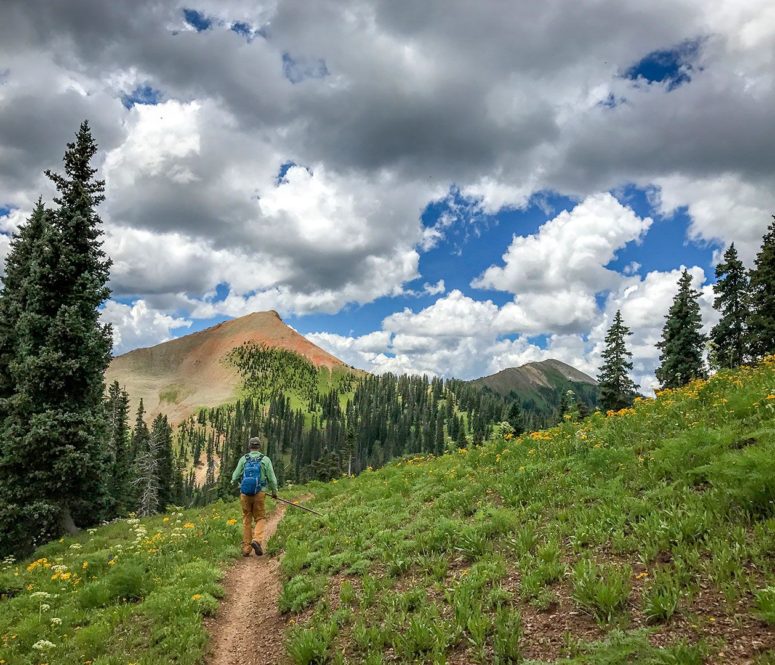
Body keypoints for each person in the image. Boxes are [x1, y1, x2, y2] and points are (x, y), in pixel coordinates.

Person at [231, 436, 278, 556]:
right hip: (260, 493)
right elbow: (272, 479)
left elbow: (235, 476)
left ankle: (246, 549)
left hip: (245, 494)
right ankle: (256, 540)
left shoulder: (244, 459)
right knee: (260, 518)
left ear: (250, 446)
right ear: (259, 447)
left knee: (247, 519)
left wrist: (237, 484)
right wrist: (274, 492)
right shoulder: (265, 459)